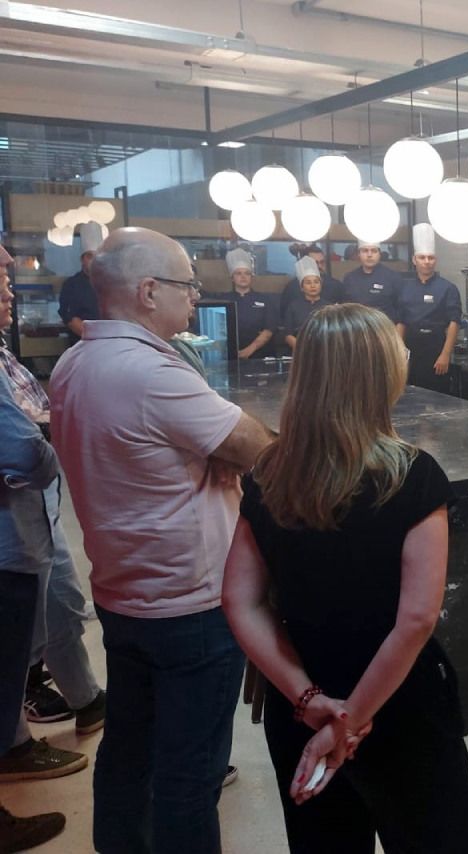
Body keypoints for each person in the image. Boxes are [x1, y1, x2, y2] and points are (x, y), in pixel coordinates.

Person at [222, 303, 468, 853]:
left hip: (301, 703)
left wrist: (312, 700)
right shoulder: (412, 475)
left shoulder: (269, 472)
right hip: (399, 701)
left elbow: (240, 602)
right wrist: (351, 720)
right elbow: (415, 619)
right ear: (381, 373)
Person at [49, 226, 273, 854]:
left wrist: (208, 456)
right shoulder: (151, 372)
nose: (196, 299)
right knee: (189, 776)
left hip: (123, 593)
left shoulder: (74, 362)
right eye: (187, 286)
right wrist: (221, 457)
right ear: (148, 292)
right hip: (190, 605)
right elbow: (258, 449)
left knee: (129, 749)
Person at [0, 243, 79, 853]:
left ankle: (16, 745)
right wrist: (47, 452)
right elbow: (27, 449)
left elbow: (38, 423)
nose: (9, 291)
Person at [394, 224, 461, 393]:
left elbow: (454, 323)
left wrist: (445, 354)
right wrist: (399, 351)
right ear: (414, 260)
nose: (426, 262)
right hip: (411, 350)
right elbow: (401, 322)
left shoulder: (448, 288)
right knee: (409, 396)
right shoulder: (404, 287)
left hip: (436, 349)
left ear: (435, 260)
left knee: (437, 399)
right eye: (422, 257)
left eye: (430, 258)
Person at [218, 247, 279, 360]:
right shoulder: (223, 300)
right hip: (230, 353)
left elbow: (269, 329)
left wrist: (250, 349)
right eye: (238, 273)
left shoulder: (265, 300)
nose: (243, 277)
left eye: (247, 273)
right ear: (232, 277)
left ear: (251, 277)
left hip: (260, 354)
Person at [56, 222, 104, 342]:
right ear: (82, 259)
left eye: (97, 256)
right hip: (83, 345)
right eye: (90, 256)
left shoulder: (110, 283)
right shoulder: (72, 285)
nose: (94, 260)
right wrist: (97, 339)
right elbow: (71, 319)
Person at [282, 256, 333, 353]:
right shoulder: (293, 306)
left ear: (321, 286)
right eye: (308, 283)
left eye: (316, 282)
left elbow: (334, 334)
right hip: (299, 352)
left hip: (325, 352)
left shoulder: (329, 307)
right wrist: (304, 350)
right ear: (302, 287)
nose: (313, 286)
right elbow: (288, 335)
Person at [341, 241, 400, 319]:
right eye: (365, 251)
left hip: (384, 328)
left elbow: (401, 312)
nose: (369, 255)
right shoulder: (349, 278)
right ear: (359, 254)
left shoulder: (393, 277)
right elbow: (345, 309)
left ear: (379, 254)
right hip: (357, 327)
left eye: (374, 251)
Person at [280, 243, 341, 318]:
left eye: (322, 262)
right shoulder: (292, 288)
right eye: (315, 263)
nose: (319, 266)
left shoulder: (336, 286)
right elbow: (285, 315)